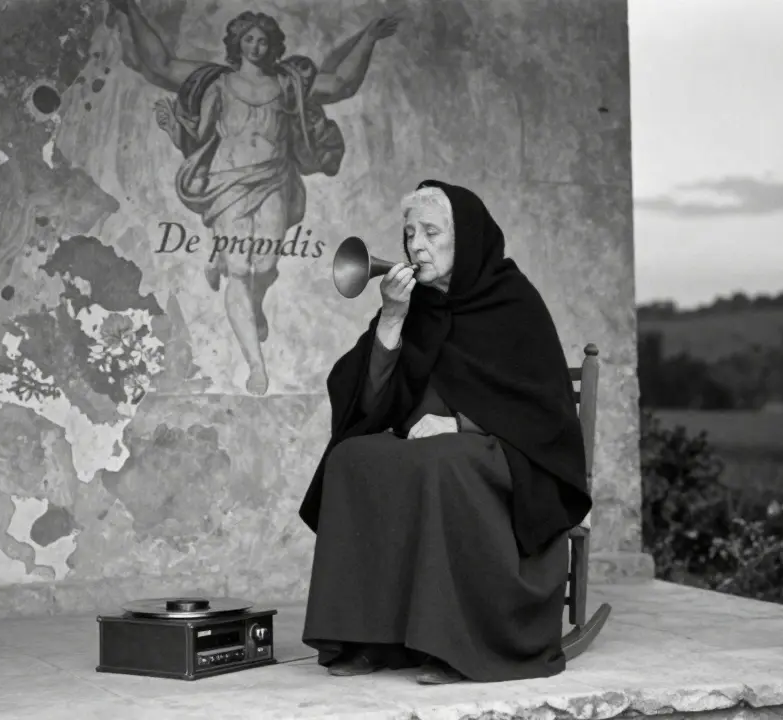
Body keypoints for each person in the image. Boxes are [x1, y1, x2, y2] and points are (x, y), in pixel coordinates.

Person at [298, 180, 593, 685]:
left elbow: (542, 413)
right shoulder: (416, 305)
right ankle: (373, 638)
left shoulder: (513, 302)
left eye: (432, 233)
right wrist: (391, 318)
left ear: (468, 239)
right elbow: (367, 402)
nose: (416, 246)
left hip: (509, 457)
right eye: (410, 233)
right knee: (351, 458)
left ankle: (458, 644)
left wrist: (458, 424)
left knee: (444, 461)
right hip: (428, 448)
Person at [108, 0, 399, 395]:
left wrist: (367, 38)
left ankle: (243, 290)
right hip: (226, 181)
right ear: (237, 43)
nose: (257, 46)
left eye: (264, 40)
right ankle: (256, 366)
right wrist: (132, 12)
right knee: (241, 270)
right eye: (249, 38)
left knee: (263, 263)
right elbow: (159, 63)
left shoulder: (288, 84)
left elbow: (342, 82)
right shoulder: (215, 80)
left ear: (273, 46)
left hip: (274, 179)